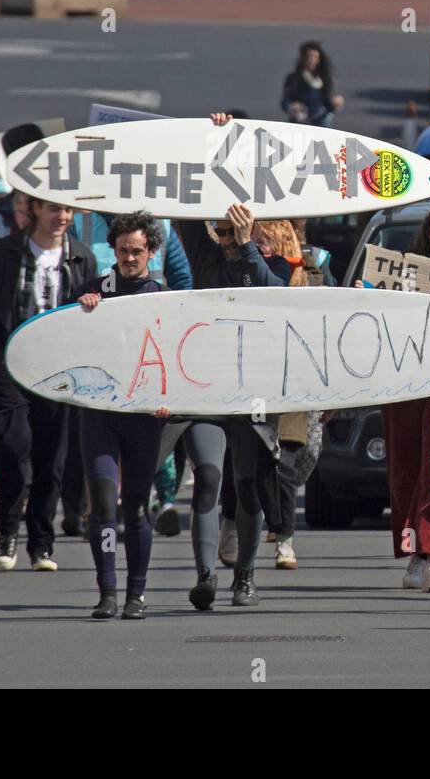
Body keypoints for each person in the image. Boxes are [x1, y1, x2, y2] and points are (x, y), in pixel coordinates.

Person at [171, 118, 288, 608]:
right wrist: (216, 138)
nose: (222, 232)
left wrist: (243, 246)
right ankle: (205, 577)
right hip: (205, 384)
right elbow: (180, 202)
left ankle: (245, 575)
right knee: (210, 478)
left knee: (248, 485)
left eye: (232, 226)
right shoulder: (201, 253)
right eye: (218, 226)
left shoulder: (272, 261)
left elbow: (273, 295)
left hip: (255, 388)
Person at [0, 197, 96, 572]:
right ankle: (7, 531)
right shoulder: (5, 253)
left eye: (68, 211)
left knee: (50, 459)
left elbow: (88, 313)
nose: (62, 218)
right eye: (54, 209)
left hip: (58, 370)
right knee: (10, 448)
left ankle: (42, 544)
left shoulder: (81, 256)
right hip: (12, 364)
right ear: (35, 210)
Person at [74, 212, 169, 619]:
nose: (129, 258)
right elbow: (64, 343)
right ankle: (108, 591)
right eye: (122, 251)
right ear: (112, 250)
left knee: (136, 505)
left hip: (144, 415)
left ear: (151, 251)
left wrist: (169, 398)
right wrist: (81, 312)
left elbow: (176, 357)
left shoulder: (163, 297)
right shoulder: (91, 292)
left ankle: (136, 594)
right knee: (103, 504)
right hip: (100, 414)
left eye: (137, 251)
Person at [369, 201, 430, 592]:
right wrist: (367, 295)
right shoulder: (403, 273)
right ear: (428, 230)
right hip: (403, 381)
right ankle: (414, 556)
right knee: (405, 469)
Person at [251, 217, 314, 571]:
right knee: (261, 461)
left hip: (295, 383)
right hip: (259, 381)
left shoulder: (312, 277)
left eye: (265, 241)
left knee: (286, 461)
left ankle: (285, 538)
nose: (259, 247)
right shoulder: (249, 276)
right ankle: (267, 527)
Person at [280, 41, 344, 126]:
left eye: (315, 57)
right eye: (309, 57)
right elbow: (285, 102)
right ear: (303, 58)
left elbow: (329, 106)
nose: (311, 60)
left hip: (320, 121)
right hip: (300, 121)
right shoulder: (294, 79)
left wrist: (336, 103)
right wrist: (292, 106)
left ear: (318, 60)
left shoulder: (324, 79)